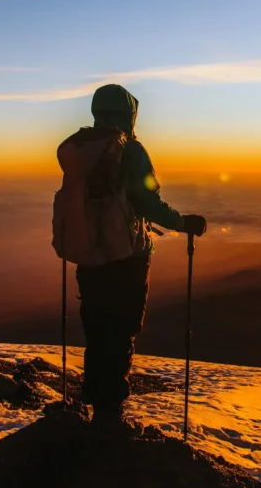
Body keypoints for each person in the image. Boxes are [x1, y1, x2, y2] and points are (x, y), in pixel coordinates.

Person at [75, 83, 206, 429]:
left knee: (98, 328)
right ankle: (110, 414)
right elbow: (148, 202)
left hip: (87, 255)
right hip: (127, 258)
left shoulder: (82, 148)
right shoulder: (130, 151)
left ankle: (96, 403)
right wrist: (183, 223)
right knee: (122, 330)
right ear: (130, 114)